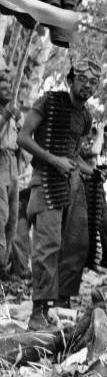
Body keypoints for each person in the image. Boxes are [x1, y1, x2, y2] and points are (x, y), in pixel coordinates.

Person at [17, 59, 100, 329]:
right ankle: (39, 309)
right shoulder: (49, 102)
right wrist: (54, 160)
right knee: (47, 247)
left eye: (93, 82)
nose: (87, 86)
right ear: (71, 80)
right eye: (83, 80)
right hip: (45, 181)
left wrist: (90, 170)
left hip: (70, 184)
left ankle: (62, 303)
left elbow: (73, 153)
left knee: (73, 246)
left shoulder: (86, 116)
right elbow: (24, 137)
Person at [80, 122, 107, 270]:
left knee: (105, 221)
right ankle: (88, 260)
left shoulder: (95, 142)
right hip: (84, 186)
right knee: (88, 225)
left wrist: (104, 135)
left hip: (97, 186)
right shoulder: (78, 143)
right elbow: (93, 152)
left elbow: (104, 149)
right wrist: (99, 133)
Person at [0, 70, 20, 280]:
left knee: (12, 218)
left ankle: (4, 264)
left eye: (9, 87)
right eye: (3, 88)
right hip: (0, 163)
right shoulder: (5, 114)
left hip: (12, 163)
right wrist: (5, 117)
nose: (7, 91)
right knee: (1, 215)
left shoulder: (12, 114)